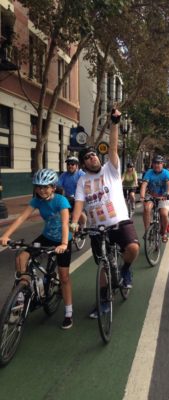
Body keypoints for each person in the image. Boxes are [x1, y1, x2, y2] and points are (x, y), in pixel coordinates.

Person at [70, 108, 140, 319]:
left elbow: (113, 148)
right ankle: (103, 300)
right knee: (103, 266)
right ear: (83, 164)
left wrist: (115, 123)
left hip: (119, 222)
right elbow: (80, 203)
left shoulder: (110, 169)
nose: (93, 159)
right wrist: (74, 223)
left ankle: (126, 268)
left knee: (133, 248)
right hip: (96, 228)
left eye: (94, 155)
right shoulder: (83, 180)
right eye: (88, 158)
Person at [0, 169, 74, 329]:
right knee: (21, 257)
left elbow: (64, 223)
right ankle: (21, 293)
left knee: (64, 277)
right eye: (39, 187)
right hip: (46, 237)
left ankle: (68, 312)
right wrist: (6, 235)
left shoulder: (61, 201)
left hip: (63, 240)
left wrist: (63, 244)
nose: (41, 190)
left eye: (45, 187)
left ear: (53, 187)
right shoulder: (37, 201)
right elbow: (21, 218)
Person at [139, 155, 169, 243]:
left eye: (159, 163)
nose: (157, 165)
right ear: (152, 164)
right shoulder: (149, 172)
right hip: (151, 196)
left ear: (162, 164)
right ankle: (147, 231)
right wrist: (142, 196)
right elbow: (144, 185)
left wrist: (167, 193)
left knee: (164, 214)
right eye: (155, 163)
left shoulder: (166, 173)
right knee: (146, 208)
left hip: (163, 196)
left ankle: (164, 232)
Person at [57, 156, 86, 227]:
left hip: (80, 199)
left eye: (72, 164)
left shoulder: (81, 174)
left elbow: (86, 186)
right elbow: (58, 185)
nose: (70, 166)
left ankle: (83, 226)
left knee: (80, 213)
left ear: (77, 166)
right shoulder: (63, 175)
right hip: (67, 198)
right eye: (68, 164)